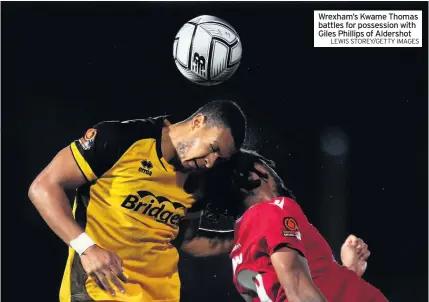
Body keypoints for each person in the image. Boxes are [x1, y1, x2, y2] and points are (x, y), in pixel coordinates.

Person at [28, 100, 247, 302]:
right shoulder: (122, 139)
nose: (211, 162)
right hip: (100, 291)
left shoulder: (200, 180)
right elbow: (44, 187)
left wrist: (248, 236)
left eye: (220, 159)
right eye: (214, 148)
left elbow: (185, 241)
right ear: (198, 122)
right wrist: (87, 248)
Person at [226, 149, 389, 302]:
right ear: (258, 170)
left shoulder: (240, 244)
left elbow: (297, 289)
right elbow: (299, 291)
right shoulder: (273, 209)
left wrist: (349, 271)